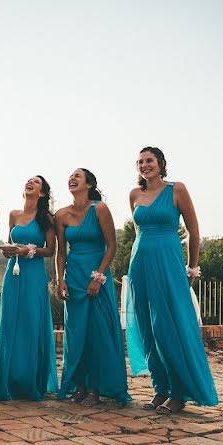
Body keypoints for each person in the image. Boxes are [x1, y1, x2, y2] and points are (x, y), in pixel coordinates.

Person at [126, 146, 218, 413]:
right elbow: (137, 232)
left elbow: (193, 230)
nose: (144, 165)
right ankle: (161, 389)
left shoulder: (177, 190)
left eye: (149, 160)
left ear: (161, 163)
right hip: (140, 264)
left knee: (168, 325)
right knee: (147, 327)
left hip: (168, 262)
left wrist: (192, 267)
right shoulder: (134, 194)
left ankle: (179, 392)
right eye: (140, 161)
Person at [55, 169, 129, 406]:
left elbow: (111, 246)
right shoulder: (61, 214)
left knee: (97, 333)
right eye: (70, 176)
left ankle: (96, 389)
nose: (72, 178)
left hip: (97, 275)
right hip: (74, 276)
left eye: (77, 175)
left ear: (89, 184)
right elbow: (61, 252)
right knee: (76, 334)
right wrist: (60, 279)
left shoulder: (100, 209)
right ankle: (79, 385)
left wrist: (98, 277)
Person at [0, 176, 58, 401]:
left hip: (33, 275)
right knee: (11, 322)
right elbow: (9, 243)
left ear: (42, 193)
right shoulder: (13, 215)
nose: (29, 183)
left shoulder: (47, 219)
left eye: (36, 182)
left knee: (31, 322)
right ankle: (9, 382)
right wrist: (9, 251)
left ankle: (31, 381)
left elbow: (51, 250)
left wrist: (28, 250)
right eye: (28, 180)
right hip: (13, 273)